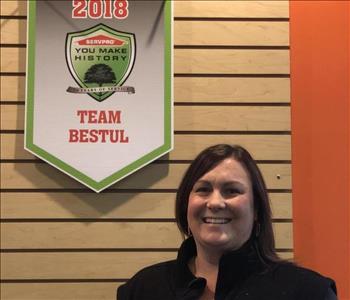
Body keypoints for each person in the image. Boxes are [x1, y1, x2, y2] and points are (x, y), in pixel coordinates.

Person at [117, 144, 337, 300]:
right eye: (203, 189)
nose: (215, 202)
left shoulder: (309, 292)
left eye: (232, 190)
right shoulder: (142, 289)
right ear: (186, 204)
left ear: (256, 209)